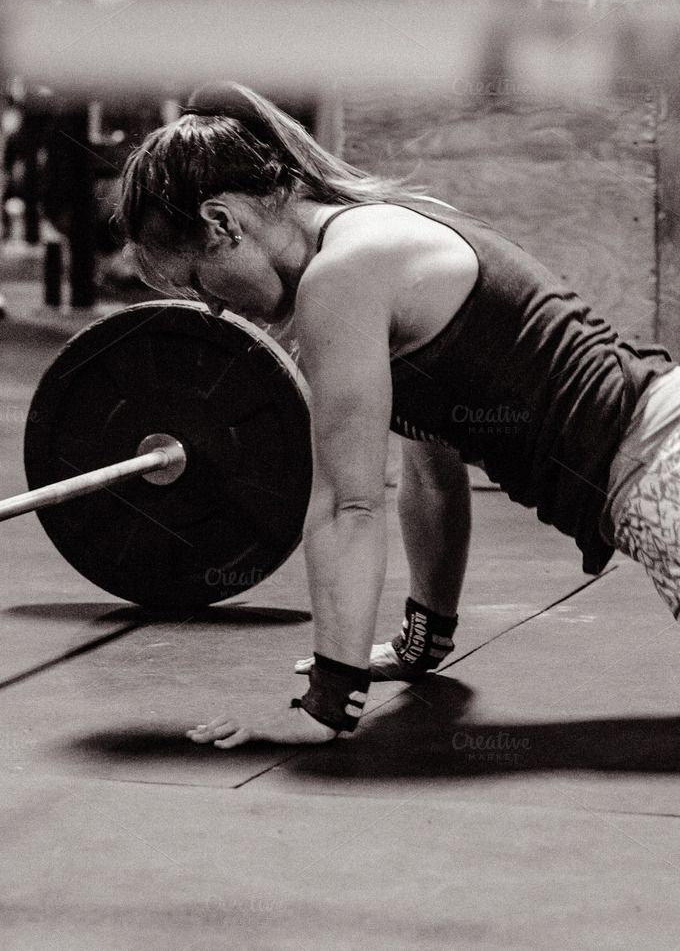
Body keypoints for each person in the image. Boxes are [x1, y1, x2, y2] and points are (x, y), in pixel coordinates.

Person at [115, 81, 680, 748]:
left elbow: (348, 508)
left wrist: (325, 703)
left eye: (198, 283)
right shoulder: (385, 225)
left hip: (659, 471)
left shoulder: (340, 278)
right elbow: (431, 468)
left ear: (222, 223)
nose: (211, 309)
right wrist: (421, 639)